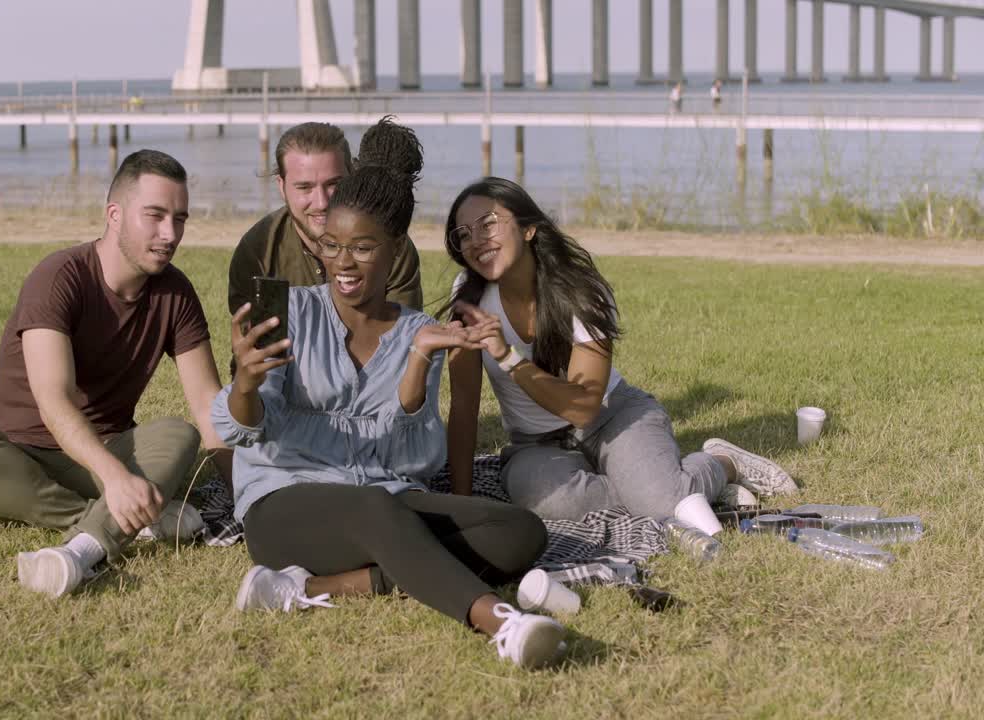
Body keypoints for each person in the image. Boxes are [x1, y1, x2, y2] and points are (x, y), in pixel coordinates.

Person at [211, 165, 567, 670]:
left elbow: (412, 462)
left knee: (519, 531)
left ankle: (307, 587)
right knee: (376, 506)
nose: (343, 262)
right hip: (283, 504)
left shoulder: (418, 331)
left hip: (386, 501)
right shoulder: (285, 310)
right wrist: (245, 384)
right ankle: (502, 622)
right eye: (330, 245)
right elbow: (253, 428)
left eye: (361, 247)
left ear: (396, 248)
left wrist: (418, 363)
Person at [0, 149, 234, 598]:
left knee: (178, 436)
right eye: (155, 216)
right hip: (20, 457)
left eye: (180, 219)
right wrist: (116, 480)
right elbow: (55, 399)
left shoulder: (175, 291)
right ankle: (124, 522)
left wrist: (245, 493)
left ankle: (85, 545)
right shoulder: (60, 276)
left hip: (103, 450)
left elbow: (208, 403)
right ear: (114, 214)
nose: (170, 234)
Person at [440, 177, 797, 524]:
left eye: (488, 223)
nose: (477, 240)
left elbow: (582, 408)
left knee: (658, 500)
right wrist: (460, 503)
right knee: (551, 500)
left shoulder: (581, 291)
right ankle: (669, 490)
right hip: (536, 445)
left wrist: (508, 357)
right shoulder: (469, 298)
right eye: (464, 234)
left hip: (613, 416)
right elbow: (465, 405)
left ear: (529, 228)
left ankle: (721, 463)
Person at [227, 119, 423, 322]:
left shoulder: (388, 244)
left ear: (352, 174)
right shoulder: (259, 249)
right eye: (304, 187)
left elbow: (401, 339)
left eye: (333, 184)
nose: (322, 203)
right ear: (281, 186)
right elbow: (260, 346)